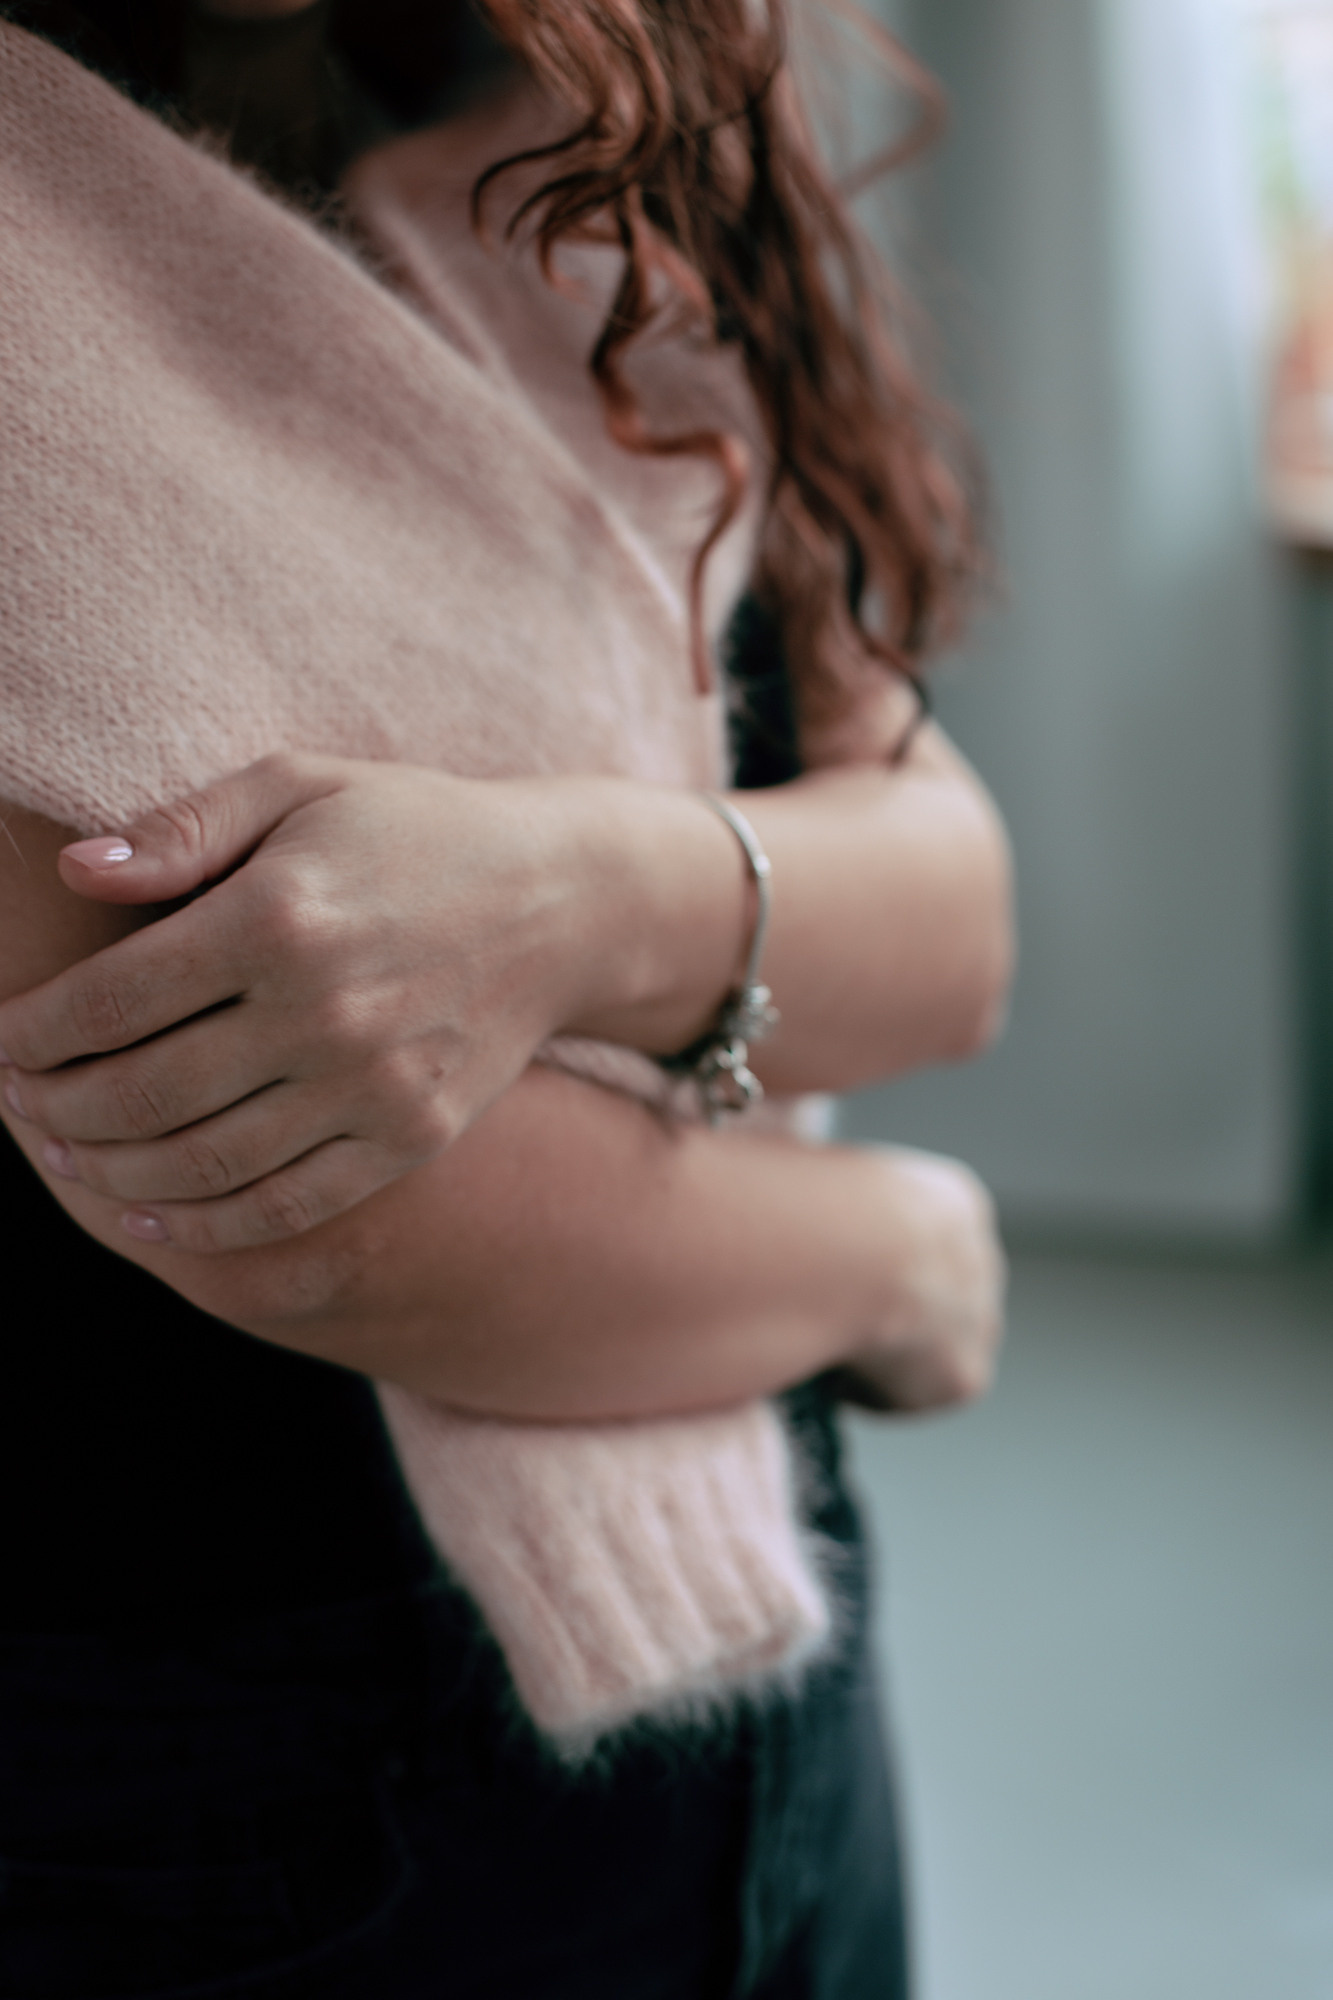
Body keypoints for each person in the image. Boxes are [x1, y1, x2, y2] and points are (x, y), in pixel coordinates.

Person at [0, 1, 1012, 1994]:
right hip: (230, 1786)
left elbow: (954, 911)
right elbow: (301, 1212)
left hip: (757, 1608)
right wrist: (900, 1252)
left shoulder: (615, 102)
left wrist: (570, 896)